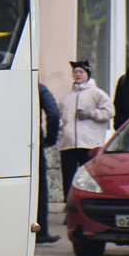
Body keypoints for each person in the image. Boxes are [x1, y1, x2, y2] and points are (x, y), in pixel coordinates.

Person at [57, 60, 112, 191]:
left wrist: (90, 114)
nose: (78, 75)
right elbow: (59, 116)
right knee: (68, 178)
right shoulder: (66, 97)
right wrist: (62, 128)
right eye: (75, 72)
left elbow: (109, 111)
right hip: (68, 144)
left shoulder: (97, 93)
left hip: (89, 143)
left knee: (87, 177)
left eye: (81, 72)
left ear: (87, 74)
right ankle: (69, 202)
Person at [37, 80, 61, 244]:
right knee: (39, 186)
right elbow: (53, 113)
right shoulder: (38, 88)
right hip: (32, 143)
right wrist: (50, 139)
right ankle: (40, 230)